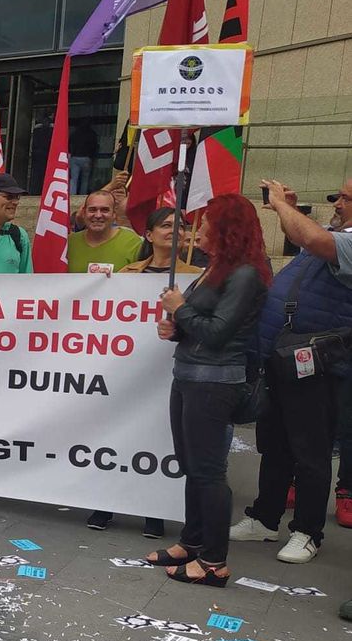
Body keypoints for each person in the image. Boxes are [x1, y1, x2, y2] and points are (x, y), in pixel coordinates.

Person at [143, 193, 271, 588]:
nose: (198, 232)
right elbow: (201, 323)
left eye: (206, 224)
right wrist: (175, 328)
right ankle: (192, 541)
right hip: (190, 375)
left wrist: (180, 309)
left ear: (226, 229)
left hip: (214, 382)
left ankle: (214, 562)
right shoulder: (216, 268)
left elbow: (218, 332)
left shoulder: (247, 273)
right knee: (191, 464)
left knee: (208, 471)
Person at [227, 179, 352, 565]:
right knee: (275, 442)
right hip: (283, 356)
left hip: (315, 365)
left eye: (346, 197)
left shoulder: (342, 242)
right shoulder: (337, 234)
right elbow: (304, 237)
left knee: (310, 450)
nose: (337, 202)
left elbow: (313, 241)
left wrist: (283, 206)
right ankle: (265, 519)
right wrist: (291, 213)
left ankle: (307, 531)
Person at [85, 208, 199, 537]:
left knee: (160, 439)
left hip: (169, 371)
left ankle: (154, 511)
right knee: (117, 435)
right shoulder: (127, 274)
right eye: (165, 225)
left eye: (180, 226)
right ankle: (105, 504)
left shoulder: (197, 276)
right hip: (128, 369)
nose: (173, 231)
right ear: (148, 235)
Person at [67, 191, 143, 274]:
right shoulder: (68, 243)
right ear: (84, 213)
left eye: (105, 210)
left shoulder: (133, 243)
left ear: (114, 214)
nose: (98, 215)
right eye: (92, 210)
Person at [69, 118, 99, 195]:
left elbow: (69, 144)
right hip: (86, 157)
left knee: (73, 178)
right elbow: (94, 147)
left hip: (75, 157)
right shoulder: (92, 134)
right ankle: (83, 194)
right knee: (85, 179)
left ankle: (72, 194)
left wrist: (70, 154)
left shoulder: (75, 133)